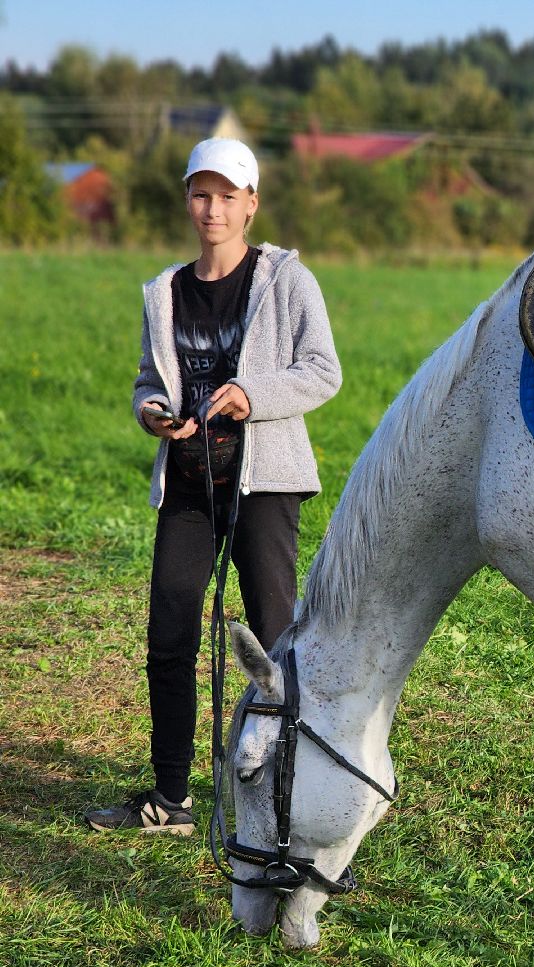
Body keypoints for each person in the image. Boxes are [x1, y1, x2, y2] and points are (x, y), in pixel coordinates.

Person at [85, 137, 341, 835]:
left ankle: (286, 785)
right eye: (202, 194)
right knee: (169, 634)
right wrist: (152, 412)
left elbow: (323, 371)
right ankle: (171, 799)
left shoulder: (287, 281)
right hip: (192, 485)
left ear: (251, 204)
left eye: (228, 195)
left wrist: (248, 394)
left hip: (266, 483)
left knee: (272, 640)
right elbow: (148, 378)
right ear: (187, 200)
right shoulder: (164, 292)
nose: (213, 208)